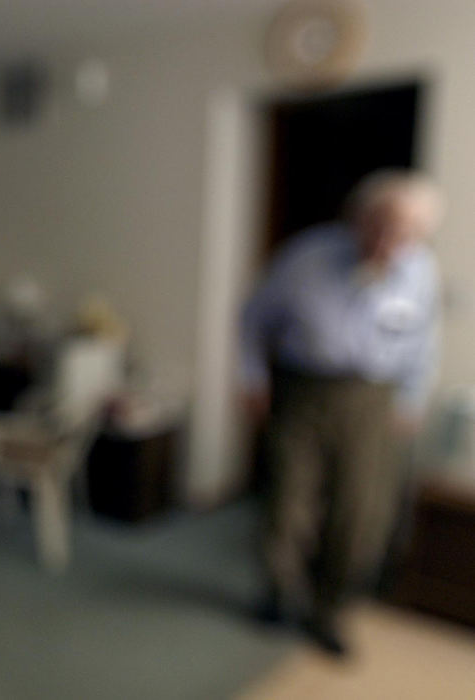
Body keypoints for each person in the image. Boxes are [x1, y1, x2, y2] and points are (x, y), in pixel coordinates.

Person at [240, 169, 443, 656]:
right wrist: (251, 378)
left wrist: (412, 399)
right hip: (304, 389)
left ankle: (328, 609)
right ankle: (280, 593)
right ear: (357, 218)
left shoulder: (422, 272)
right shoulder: (305, 255)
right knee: (290, 500)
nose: (389, 241)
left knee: (361, 514)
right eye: (380, 226)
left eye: (405, 232)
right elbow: (253, 319)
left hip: (374, 400)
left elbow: (425, 341)